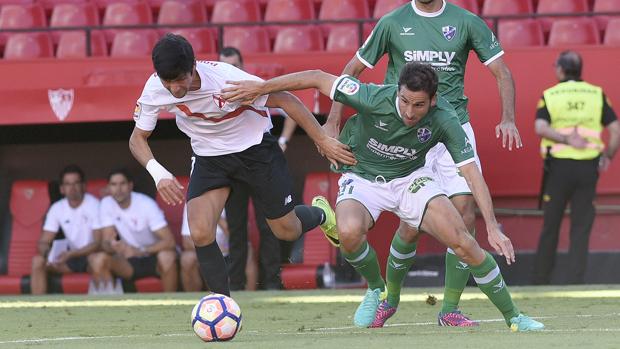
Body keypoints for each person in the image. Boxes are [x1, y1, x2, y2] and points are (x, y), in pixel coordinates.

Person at [222, 62, 543, 332]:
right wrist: (260, 88)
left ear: (433, 101)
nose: (408, 111)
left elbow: (472, 173)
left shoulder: (446, 119)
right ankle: (378, 288)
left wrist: (492, 225)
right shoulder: (373, 95)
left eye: (418, 105)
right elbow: (317, 77)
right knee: (348, 233)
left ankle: (514, 317)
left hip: (411, 179)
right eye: (404, 101)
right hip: (363, 177)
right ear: (397, 92)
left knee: (463, 240)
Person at [323, 0, 522, 326]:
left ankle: (450, 310)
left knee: (465, 212)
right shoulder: (392, 22)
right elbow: (353, 70)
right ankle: (390, 297)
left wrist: (509, 118)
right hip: (408, 130)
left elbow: (501, 70)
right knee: (411, 226)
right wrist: (332, 122)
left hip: (451, 127)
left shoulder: (466, 21)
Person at [128, 34, 355, 297]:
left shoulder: (226, 80)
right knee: (200, 232)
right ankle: (223, 305)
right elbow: (137, 138)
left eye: (180, 80)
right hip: (209, 157)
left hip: (255, 150)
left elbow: (286, 100)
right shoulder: (155, 87)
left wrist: (323, 141)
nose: (175, 89)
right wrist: (159, 174)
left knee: (286, 230)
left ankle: (321, 215)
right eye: (168, 82)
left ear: (193, 68)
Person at [533, 51, 619, 285]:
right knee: (581, 227)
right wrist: (607, 156)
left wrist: (565, 139)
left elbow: (540, 127)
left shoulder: (550, 95)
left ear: (560, 69)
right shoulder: (596, 94)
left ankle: (541, 279)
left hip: (558, 169)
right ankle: (576, 280)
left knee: (551, 225)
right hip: (587, 169)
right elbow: (616, 130)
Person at [219, 46, 283, 290]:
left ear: (243, 66)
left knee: (270, 224)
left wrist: (283, 141)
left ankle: (272, 283)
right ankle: (235, 286)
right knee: (235, 228)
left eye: (235, 65)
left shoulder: (255, 86)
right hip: (231, 163)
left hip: (258, 161)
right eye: (227, 65)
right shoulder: (217, 91)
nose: (232, 70)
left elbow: (287, 103)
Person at [94, 169, 178, 292]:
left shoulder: (145, 204)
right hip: (129, 261)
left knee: (166, 256)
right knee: (99, 259)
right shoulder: (106, 203)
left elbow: (169, 242)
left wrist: (140, 251)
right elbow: (106, 242)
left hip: (153, 256)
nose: (118, 189)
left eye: (122, 184)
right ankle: (110, 305)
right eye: (113, 184)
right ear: (108, 188)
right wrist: (115, 246)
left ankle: (171, 303)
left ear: (130, 185)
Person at [30, 165, 105, 294]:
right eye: (68, 184)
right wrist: (49, 255)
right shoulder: (57, 208)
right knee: (37, 261)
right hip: (68, 259)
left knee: (97, 260)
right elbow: (43, 242)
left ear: (83, 186)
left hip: (90, 257)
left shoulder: (95, 204)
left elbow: (98, 243)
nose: (72, 188)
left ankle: (103, 306)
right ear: (62, 189)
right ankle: (37, 308)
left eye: (76, 183)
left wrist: (71, 254)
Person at [179, 205, 232, 292]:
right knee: (187, 259)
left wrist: (215, 216)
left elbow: (239, 238)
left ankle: (243, 295)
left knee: (248, 254)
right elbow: (187, 241)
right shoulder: (194, 201)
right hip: (202, 250)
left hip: (230, 250)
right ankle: (192, 299)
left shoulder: (234, 198)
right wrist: (210, 251)